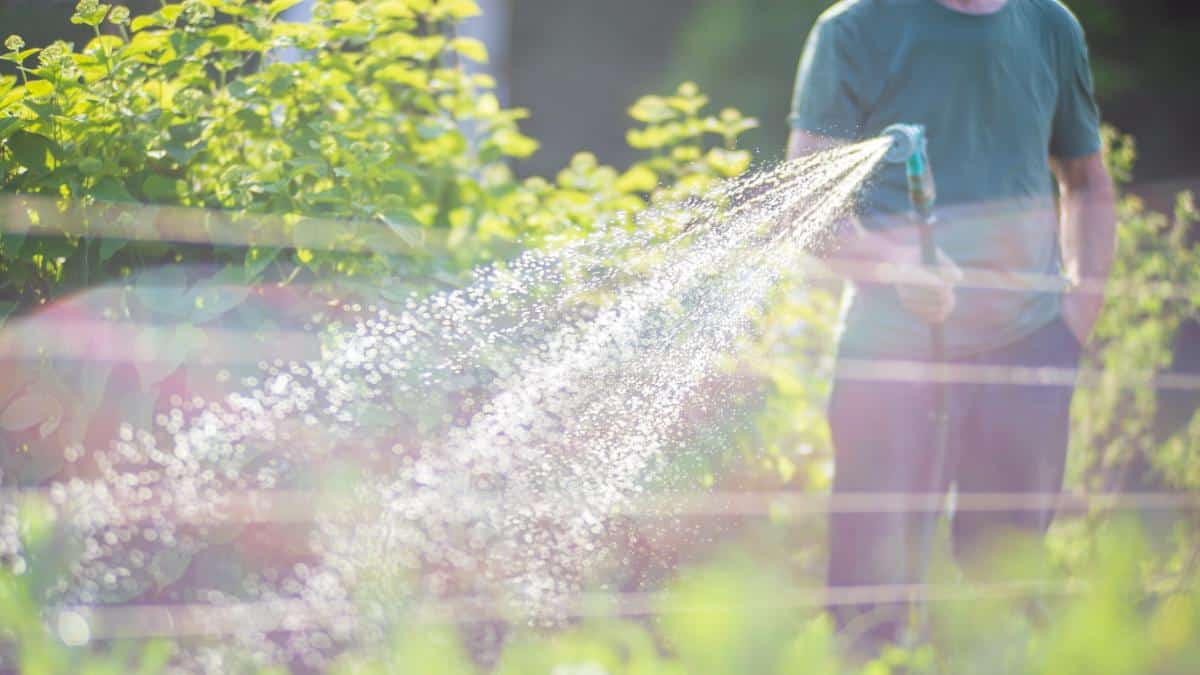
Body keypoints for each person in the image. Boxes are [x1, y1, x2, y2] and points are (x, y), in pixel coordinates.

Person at [787, 0, 1117, 654]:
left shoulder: (1049, 25)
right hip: (891, 361)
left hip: (1028, 353)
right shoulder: (853, 29)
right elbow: (805, 204)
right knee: (870, 601)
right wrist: (897, 268)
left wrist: (1076, 316)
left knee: (1002, 595)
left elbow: (1088, 184)